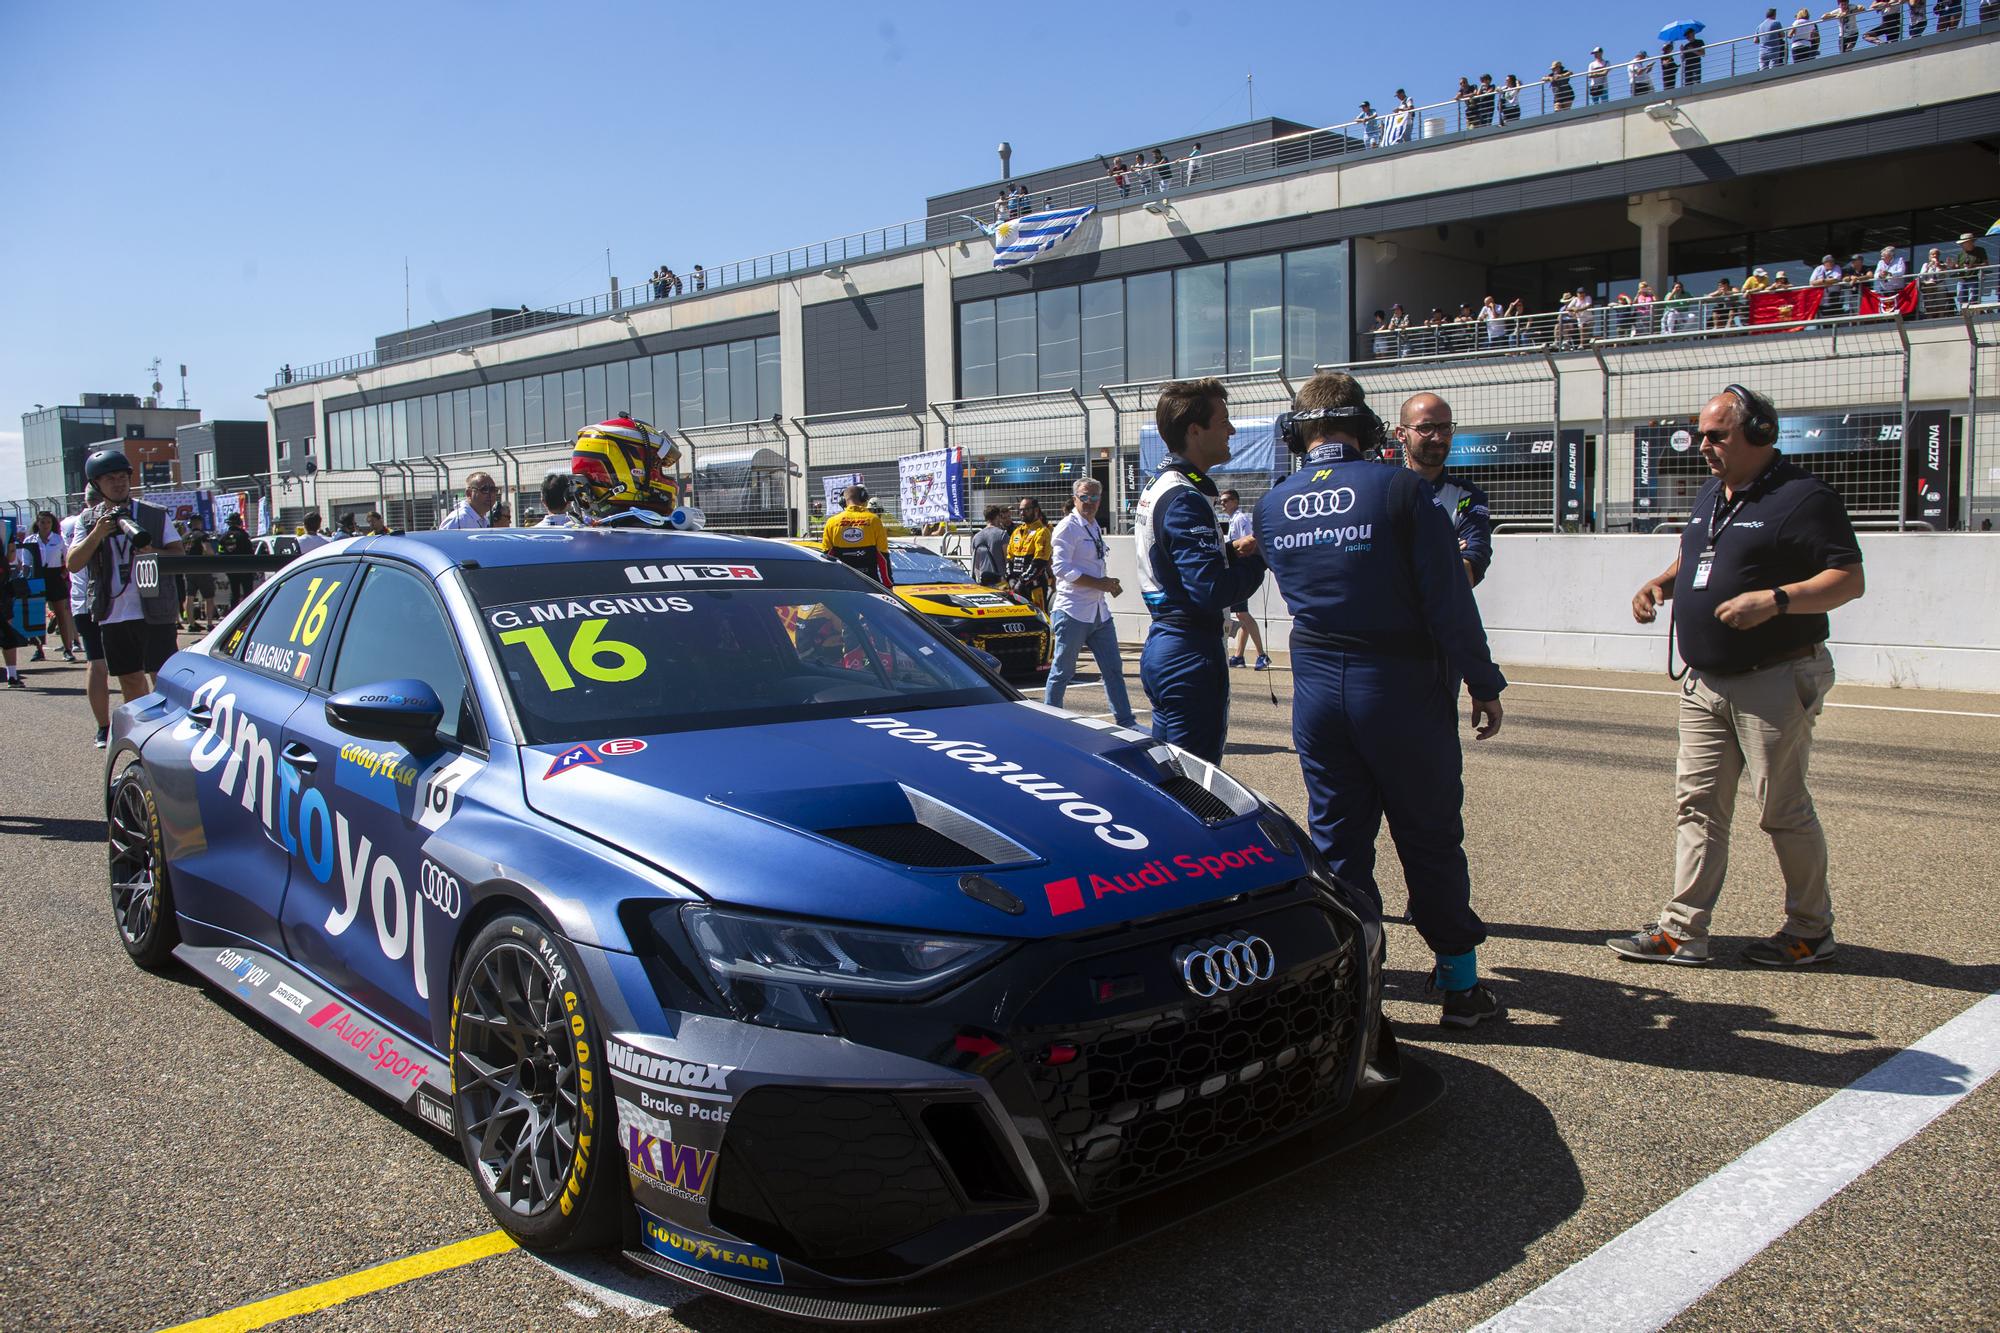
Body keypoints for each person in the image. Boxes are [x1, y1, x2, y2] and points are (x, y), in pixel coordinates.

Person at [1255, 373, 1506, 1028]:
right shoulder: (1400, 489)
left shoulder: (1274, 503)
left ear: (1298, 433)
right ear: (1366, 428)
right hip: (1399, 688)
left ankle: (1357, 987)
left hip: (1316, 693)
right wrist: (1484, 680)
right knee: (1428, 836)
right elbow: (1449, 600)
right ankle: (1460, 985)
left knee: (1338, 846)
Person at [1616, 384, 1865, 967]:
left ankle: (1810, 929)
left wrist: (1775, 600)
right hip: (1706, 681)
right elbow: (1697, 557)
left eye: (1715, 435)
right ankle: (1683, 931)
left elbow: (1848, 581)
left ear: (1758, 435)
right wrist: (1659, 585)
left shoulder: (1805, 498)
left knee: (1781, 808)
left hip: (1775, 676)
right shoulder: (1713, 492)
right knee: (1697, 805)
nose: (1703, 445)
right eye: (1701, 434)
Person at [1133, 379, 1266, 763]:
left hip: (1171, 641)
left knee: (1175, 778)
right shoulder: (1184, 497)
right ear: (1195, 430)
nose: (1232, 430)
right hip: (1189, 648)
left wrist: (1228, 551)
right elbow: (1211, 590)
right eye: (1223, 421)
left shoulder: (1164, 484)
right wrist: (1261, 557)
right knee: (1194, 787)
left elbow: (1171, 561)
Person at [65, 448, 184, 705]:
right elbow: (73, 563)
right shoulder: (87, 521)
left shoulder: (154, 513)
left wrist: (151, 551)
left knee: (162, 676)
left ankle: (168, 732)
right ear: (97, 484)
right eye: (111, 479)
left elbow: (178, 555)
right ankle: (142, 732)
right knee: (129, 679)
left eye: (123, 477)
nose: (118, 483)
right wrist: (97, 534)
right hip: (113, 613)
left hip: (154, 610)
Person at [1043, 479, 1138, 726]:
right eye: (1084, 497)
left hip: (1099, 611)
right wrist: (1100, 583)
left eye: (1095, 497)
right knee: (1063, 671)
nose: (1090, 503)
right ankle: (1050, 722)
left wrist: (1105, 584)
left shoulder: (1094, 525)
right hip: (1072, 610)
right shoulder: (1067, 527)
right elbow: (1061, 568)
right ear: (1075, 498)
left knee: (1113, 669)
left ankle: (1126, 721)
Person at [1396, 393, 1495, 587]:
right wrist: (1442, 552)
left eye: (1445, 427)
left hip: (1443, 617)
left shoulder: (1468, 496)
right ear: (1401, 434)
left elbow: (1471, 570)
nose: (1438, 437)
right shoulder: (1381, 490)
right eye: (1426, 428)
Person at [59, 511, 113, 744]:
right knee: (99, 664)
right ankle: (104, 727)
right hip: (89, 601)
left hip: (110, 602)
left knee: (120, 668)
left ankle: (105, 728)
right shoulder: (78, 522)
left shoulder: (73, 523)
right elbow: (71, 561)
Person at [1216, 489, 1269, 670]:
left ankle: (1262, 655)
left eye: (1225, 501)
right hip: (1238, 570)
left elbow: (1250, 542)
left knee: (1242, 614)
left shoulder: (1240, 519)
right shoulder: (1233, 520)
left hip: (1241, 570)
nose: (1222, 504)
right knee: (1241, 614)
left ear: (1235, 502)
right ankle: (1239, 656)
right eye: (1221, 501)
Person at [26, 511, 79, 659]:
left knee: (62, 614)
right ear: (37, 523)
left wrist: (64, 574)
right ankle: (39, 649)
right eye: (42, 522)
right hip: (37, 576)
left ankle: (67, 649)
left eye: (48, 522)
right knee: (37, 616)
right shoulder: (30, 540)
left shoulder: (58, 539)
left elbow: (68, 557)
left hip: (55, 576)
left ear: (52, 523)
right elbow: (26, 563)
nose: (45, 525)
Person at [821, 484, 892, 585]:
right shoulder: (874, 520)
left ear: (843, 501)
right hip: (870, 582)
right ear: (863, 498)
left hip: (841, 583)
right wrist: (888, 584)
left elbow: (827, 555)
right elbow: (883, 556)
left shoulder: (832, 522)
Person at [1004, 497, 1054, 609]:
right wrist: (1010, 578)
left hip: (1034, 587)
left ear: (1036, 510)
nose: (1022, 513)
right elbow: (1009, 558)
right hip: (1015, 586)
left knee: (1038, 617)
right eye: (1020, 510)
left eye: (1026, 510)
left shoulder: (1042, 532)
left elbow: (1039, 562)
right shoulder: (1016, 531)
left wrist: (1022, 582)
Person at [179, 513, 218, 631]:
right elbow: (208, 551)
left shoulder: (184, 537)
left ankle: (191, 624)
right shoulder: (202, 535)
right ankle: (209, 623)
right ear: (200, 523)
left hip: (188, 569)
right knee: (208, 597)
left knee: (189, 597)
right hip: (202, 569)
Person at [217, 511, 256, 615]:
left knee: (234, 593)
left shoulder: (223, 537)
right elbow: (250, 552)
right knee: (248, 593)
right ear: (239, 522)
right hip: (245, 568)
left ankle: (234, 615)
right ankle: (249, 613)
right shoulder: (243, 535)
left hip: (231, 569)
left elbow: (220, 553)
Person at [970, 504, 1010, 586]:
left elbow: (975, 563)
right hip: (1000, 582)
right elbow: (1008, 559)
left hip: (982, 581)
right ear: (997, 517)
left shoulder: (976, 537)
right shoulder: (1002, 535)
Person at [1954, 231, 1990, 310]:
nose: (1962, 245)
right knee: (1961, 299)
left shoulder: (1980, 250)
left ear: (1970, 242)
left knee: (1973, 299)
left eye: (1964, 243)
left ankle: (1973, 315)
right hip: (1962, 279)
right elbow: (1957, 267)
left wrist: (1973, 266)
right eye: (1962, 243)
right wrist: (1951, 265)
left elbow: (1986, 264)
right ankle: (1964, 316)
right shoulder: (1960, 254)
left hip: (1974, 278)